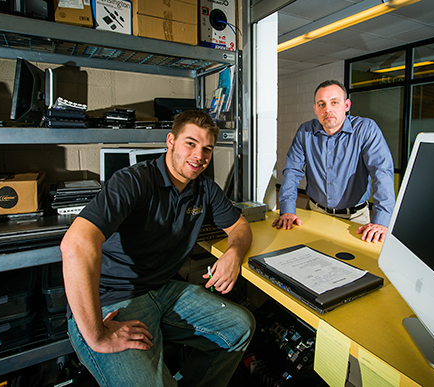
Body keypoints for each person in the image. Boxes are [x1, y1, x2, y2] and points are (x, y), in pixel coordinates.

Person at [61, 110, 255, 387]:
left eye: (207, 149)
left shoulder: (205, 189)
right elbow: (76, 244)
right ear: (171, 141)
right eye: (190, 143)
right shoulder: (133, 181)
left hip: (163, 289)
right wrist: (98, 335)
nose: (199, 155)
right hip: (112, 300)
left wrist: (233, 254)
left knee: (240, 328)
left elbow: (240, 227)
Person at [272, 80, 396, 243]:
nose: (327, 109)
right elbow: (292, 171)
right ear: (315, 109)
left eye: (334, 102)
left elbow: (382, 173)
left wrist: (381, 221)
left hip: (355, 219)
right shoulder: (305, 131)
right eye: (321, 104)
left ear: (346, 105)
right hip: (314, 213)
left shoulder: (366, 129)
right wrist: (287, 209)